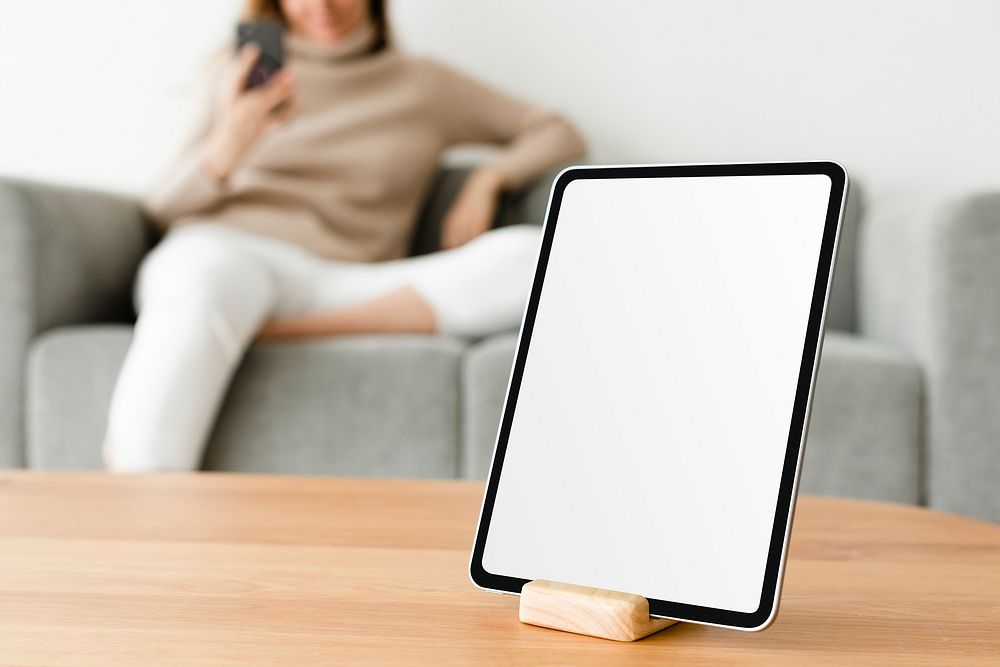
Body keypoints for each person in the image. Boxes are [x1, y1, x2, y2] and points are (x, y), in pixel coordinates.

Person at [102, 0, 586, 472]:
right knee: (205, 277)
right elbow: (158, 210)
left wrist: (490, 178)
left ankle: (269, 331)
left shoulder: (424, 85)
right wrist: (228, 143)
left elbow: (556, 130)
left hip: (343, 283)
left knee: (533, 258)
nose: (323, 8)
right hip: (230, 254)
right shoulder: (239, 73)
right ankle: (142, 498)